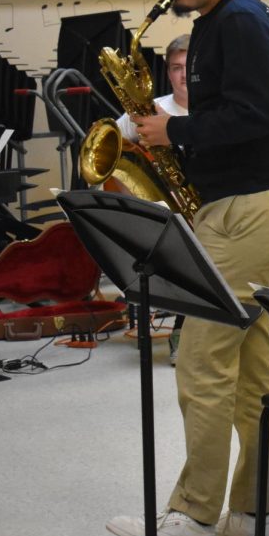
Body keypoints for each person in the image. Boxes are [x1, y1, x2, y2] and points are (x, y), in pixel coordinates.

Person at [105, 0, 269, 536]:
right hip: (248, 207)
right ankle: (255, 514)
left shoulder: (237, 21)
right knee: (248, 374)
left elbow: (263, 115)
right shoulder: (231, 20)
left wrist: (175, 131)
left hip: (246, 211)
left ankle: (192, 518)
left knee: (201, 361)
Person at [112, 33, 190, 365]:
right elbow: (112, 150)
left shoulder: (216, 111)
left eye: (189, 67)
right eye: (176, 68)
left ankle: (186, 327)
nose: (183, 75)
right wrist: (137, 199)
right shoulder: (152, 108)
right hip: (159, 211)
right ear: (168, 73)